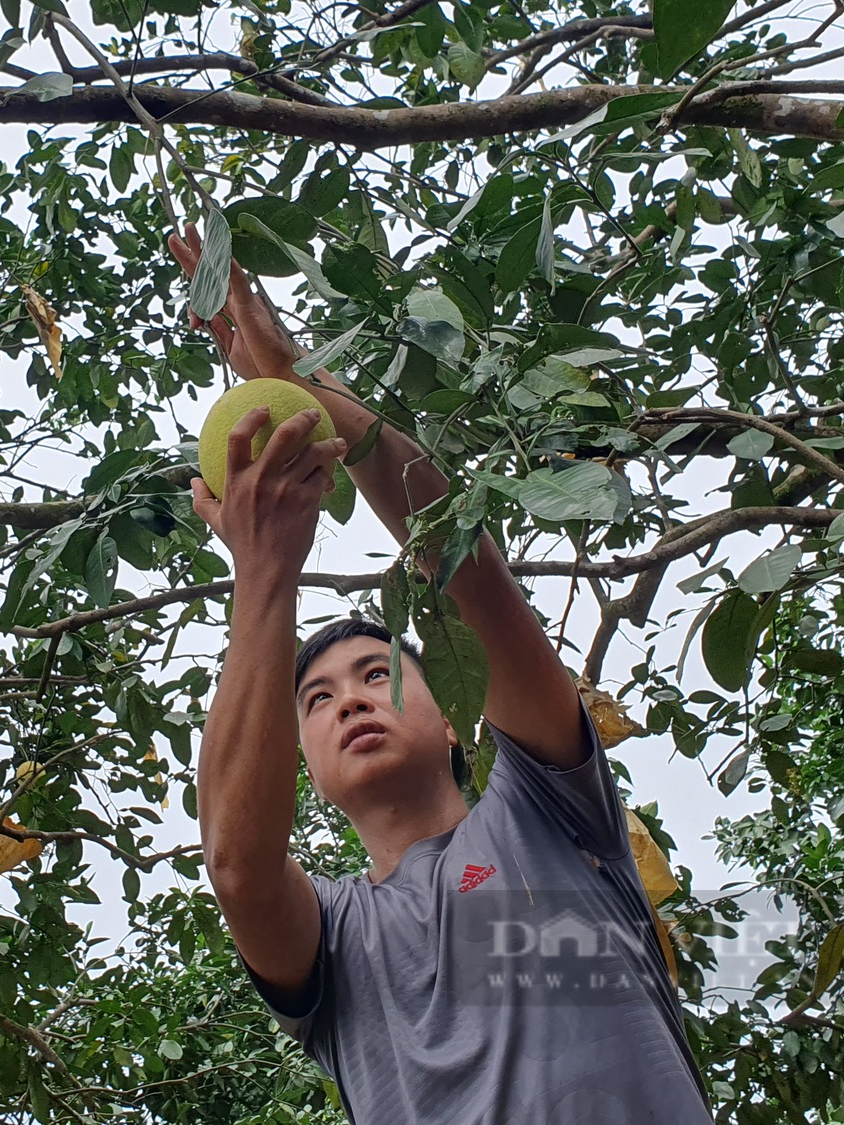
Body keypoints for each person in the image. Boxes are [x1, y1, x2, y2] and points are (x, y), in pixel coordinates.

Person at [170, 228, 713, 1122]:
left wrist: (305, 384)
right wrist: (263, 570)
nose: (348, 698)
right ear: (296, 759)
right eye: (316, 698)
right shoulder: (335, 942)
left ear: (461, 718)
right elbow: (238, 867)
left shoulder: (548, 809)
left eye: (378, 673)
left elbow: (471, 572)